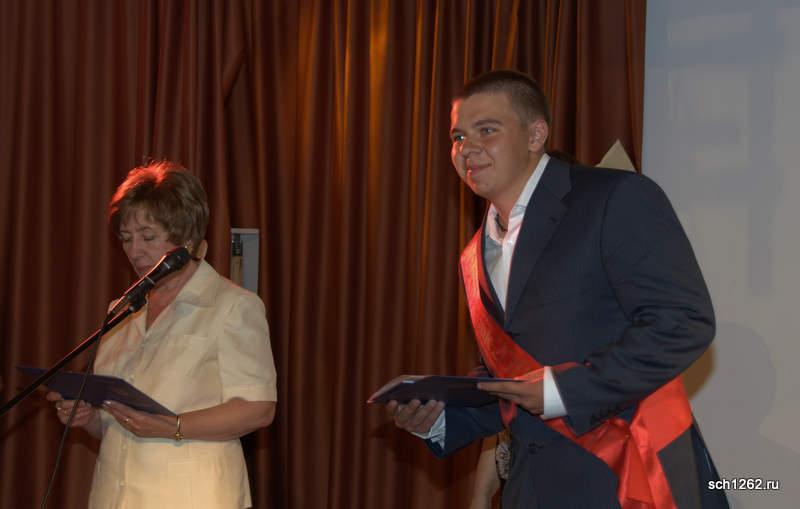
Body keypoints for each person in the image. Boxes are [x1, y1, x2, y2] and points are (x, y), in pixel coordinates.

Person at [388, 70, 728, 508]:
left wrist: (563, 390)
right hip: (531, 489)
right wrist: (439, 418)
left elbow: (683, 323)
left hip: (629, 479)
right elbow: (508, 378)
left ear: (535, 135)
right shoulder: (473, 255)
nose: (466, 148)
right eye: (458, 137)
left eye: (486, 130)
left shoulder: (613, 198)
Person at [46, 161, 277, 508]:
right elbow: (116, 424)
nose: (134, 251)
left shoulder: (233, 306)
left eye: (148, 237)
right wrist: (89, 418)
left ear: (186, 238)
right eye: (126, 239)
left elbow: (258, 409)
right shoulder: (121, 311)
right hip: (115, 496)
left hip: (192, 496)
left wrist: (173, 426)